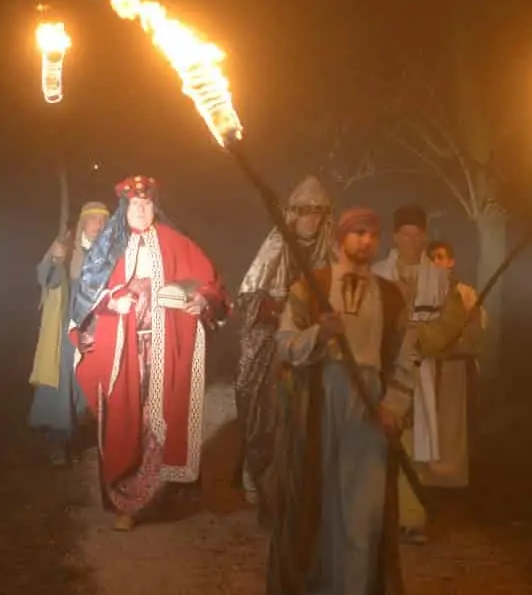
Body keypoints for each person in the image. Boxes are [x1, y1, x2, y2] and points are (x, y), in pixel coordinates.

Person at [265, 207, 471, 595]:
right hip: (323, 398)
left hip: (370, 402)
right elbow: (285, 345)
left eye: (372, 235)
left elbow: (404, 354)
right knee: (323, 498)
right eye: (358, 233)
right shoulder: (313, 285)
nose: (366, 241)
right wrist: (319, 334)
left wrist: (393, 404)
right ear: (341, 237)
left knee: (364, 503)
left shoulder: (391, 295)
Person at [72, 175, 230, 532]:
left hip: (162, 347)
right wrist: (114, 300)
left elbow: (210, 281)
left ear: (154, 206)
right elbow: (86, 295)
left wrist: (201, 299)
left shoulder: (175, 242)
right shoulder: (109, 247)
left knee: (159, 420)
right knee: (122, 420)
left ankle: (152, 498)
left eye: (146, 205)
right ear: (124, 208)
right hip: (121, 352)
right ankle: (123, 500)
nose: (140, 212)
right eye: (134, 206)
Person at [232, 175, 335, 516]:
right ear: (294, 214)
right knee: (262, 405)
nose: (312, 219)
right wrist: (280, 308)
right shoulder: (277, 246)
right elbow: (248, 299)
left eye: (319, 212)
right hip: (270, 339)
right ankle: (258, 474)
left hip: (313, 341)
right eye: (305, 211)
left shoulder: (330, 252)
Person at [371, 205, 448, 544]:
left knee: (415, 443)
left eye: (418, 236)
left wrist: (426, 337)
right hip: (387, 367)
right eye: (406, 235)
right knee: (381, 441)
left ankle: (412, 518)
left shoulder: (441, 279)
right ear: (395, 237)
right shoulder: (377, 274)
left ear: (425, 237)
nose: (412, 242)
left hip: (423, 370)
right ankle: (378, 515)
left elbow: (449, 326)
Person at [28, 201, 111, 466]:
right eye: (93, 219)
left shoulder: (110, 252)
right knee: (61, 384)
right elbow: (47, 279)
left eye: (103, 220)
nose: (98, 225)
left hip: (97, 326)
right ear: (83, 222)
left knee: (90, 385)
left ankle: (88, 439)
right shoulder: (65, 246)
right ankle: (58, 444)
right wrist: (55, 259)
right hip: (66, 326)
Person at [417, 240, 486, 488]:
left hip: (455, 368)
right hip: (428, 366)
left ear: (450, 261)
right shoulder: (420, 292)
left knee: (453, 426)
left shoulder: (465, 294)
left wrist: (453, 342)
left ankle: (452, 480)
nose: (436, 262)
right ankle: (428, 478)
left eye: (440, 257)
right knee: (428, 422)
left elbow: (475, 333)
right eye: (431, 257)